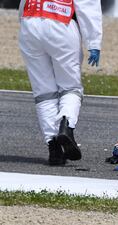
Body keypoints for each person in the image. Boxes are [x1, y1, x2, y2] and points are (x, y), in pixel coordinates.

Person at [18, 0, 103, 165]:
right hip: (61, 21)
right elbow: (88, 4)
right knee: (71, 88)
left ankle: (54, 147)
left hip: (30, 21)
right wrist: (93, 42)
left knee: (44, 93)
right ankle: (66, 126)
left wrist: (23, 20)